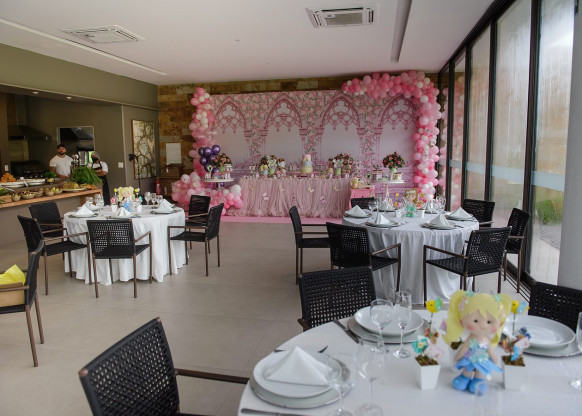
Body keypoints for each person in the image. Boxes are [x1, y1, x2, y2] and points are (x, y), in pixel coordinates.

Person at [443, 290, 512, 394]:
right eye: (475, 321)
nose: (483, 325)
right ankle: (465, 378)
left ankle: (478, 381)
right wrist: (457, 358)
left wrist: (494, 358)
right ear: (461, 321)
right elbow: (464, 348)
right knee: (467, 369)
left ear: (500, 323)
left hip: (482, 360)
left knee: (480, 372)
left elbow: (490, 350)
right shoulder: (470, 339)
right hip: (469, 359)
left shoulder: (486, 340)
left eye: (489, 321)